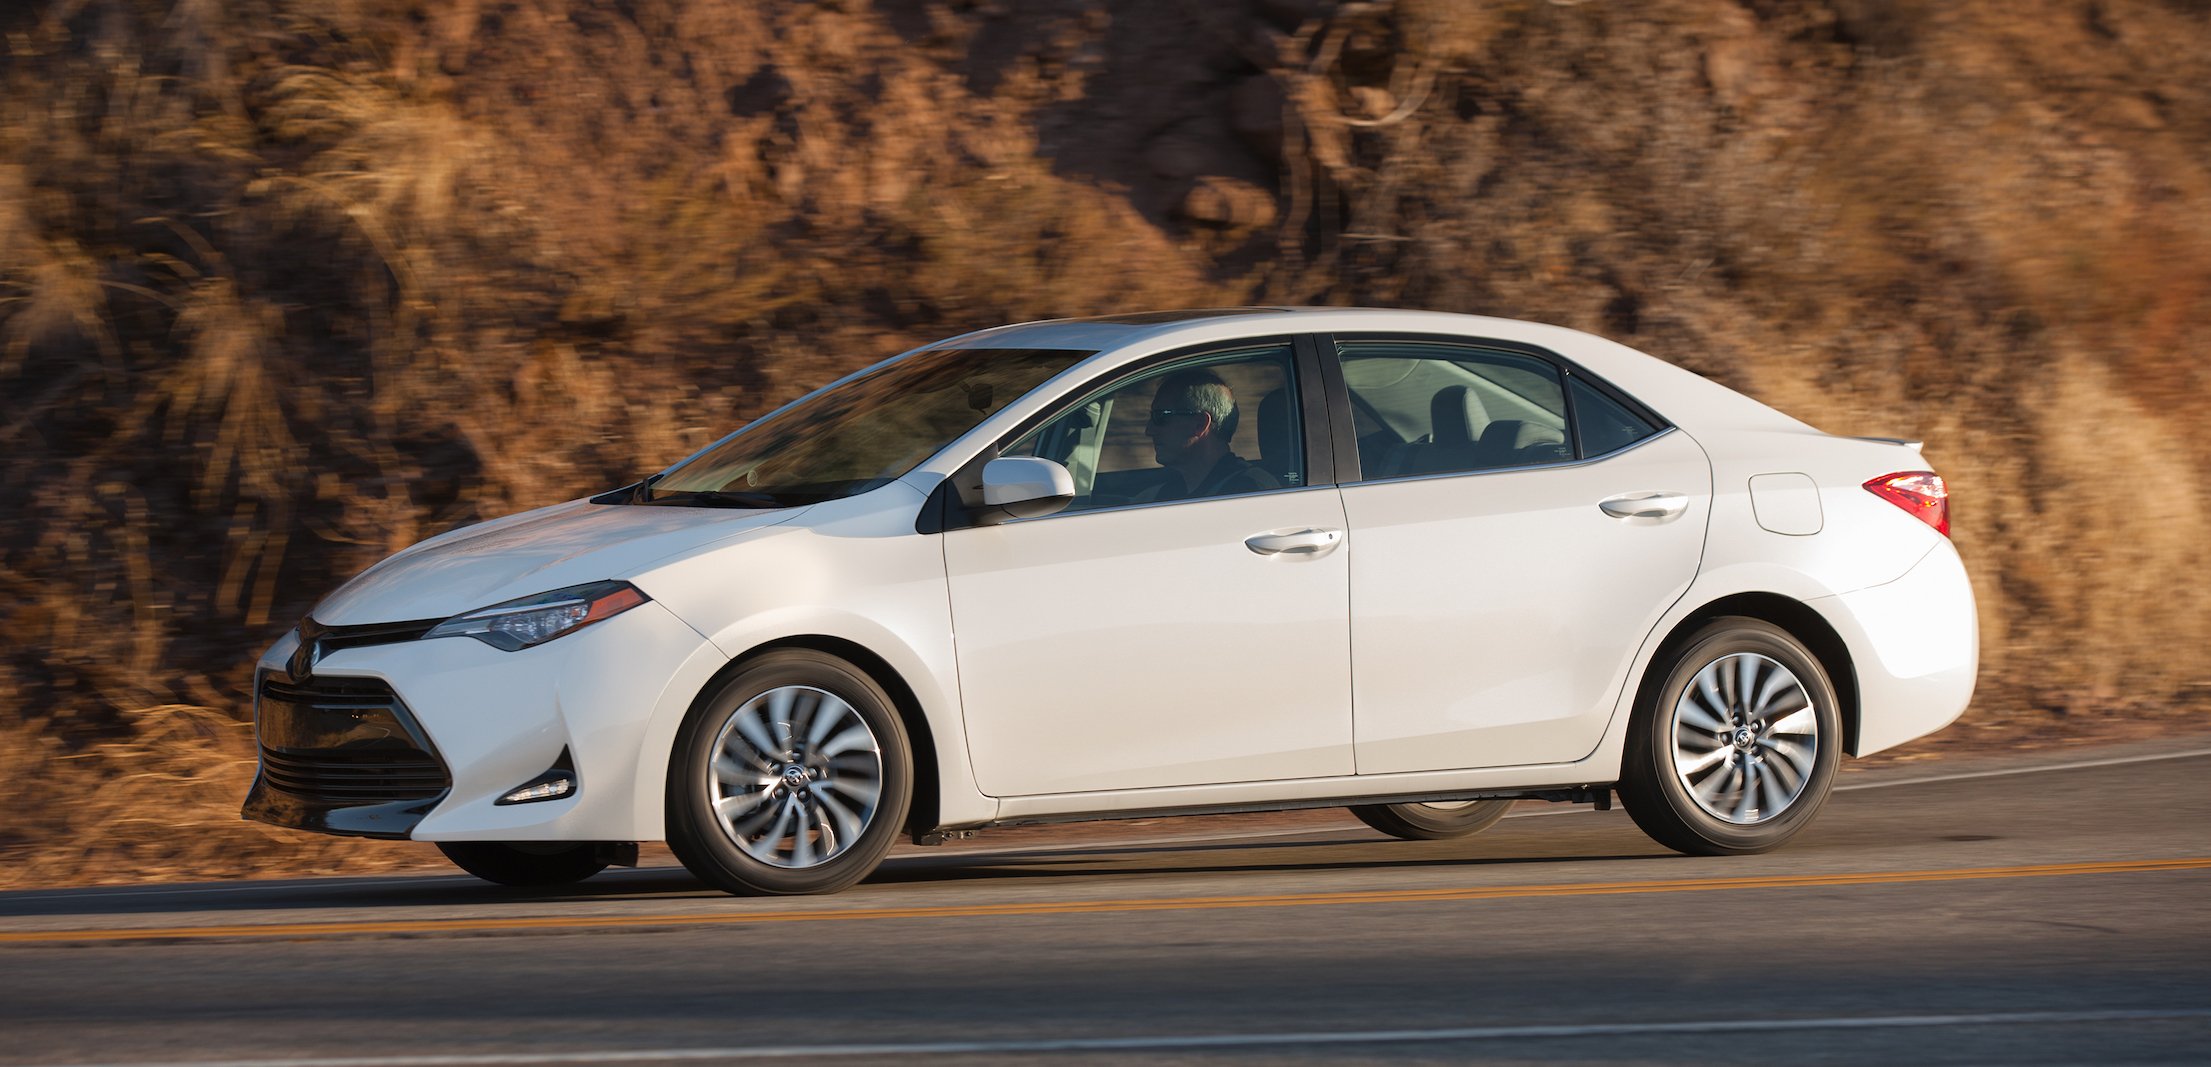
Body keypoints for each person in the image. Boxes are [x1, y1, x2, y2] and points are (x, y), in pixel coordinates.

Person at [1137, 368, 1280, 502]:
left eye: (1161, 417)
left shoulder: (1251, 491)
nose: (1149, 431)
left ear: (1200, 424)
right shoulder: (1169, 492)